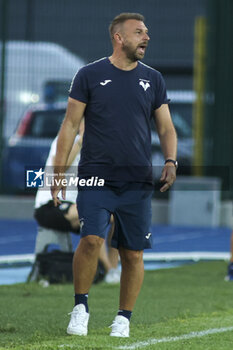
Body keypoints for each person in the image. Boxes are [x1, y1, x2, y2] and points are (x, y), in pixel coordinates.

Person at [51, 12, 177, 337]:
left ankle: (123, 318)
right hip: (95, 175)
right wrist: (58, 171)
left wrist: (171, 160)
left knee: (132, 253)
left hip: (136, 180)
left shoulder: (154, 79)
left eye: (147, 32)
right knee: (92, 239)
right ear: (119, 38)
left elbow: (165, 127)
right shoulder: (89, 75)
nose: (146, 37)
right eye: (139, 32)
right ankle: (80, 307)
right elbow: (69, 126)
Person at [33, 121, 119, 282]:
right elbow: (59, 169)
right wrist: (80, 140)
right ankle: (108, 271)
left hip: (76, 206)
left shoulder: (97, 148)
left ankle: (113, 269)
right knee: (94, 214)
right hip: (50, 205)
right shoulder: (64, 139)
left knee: (118, 216)